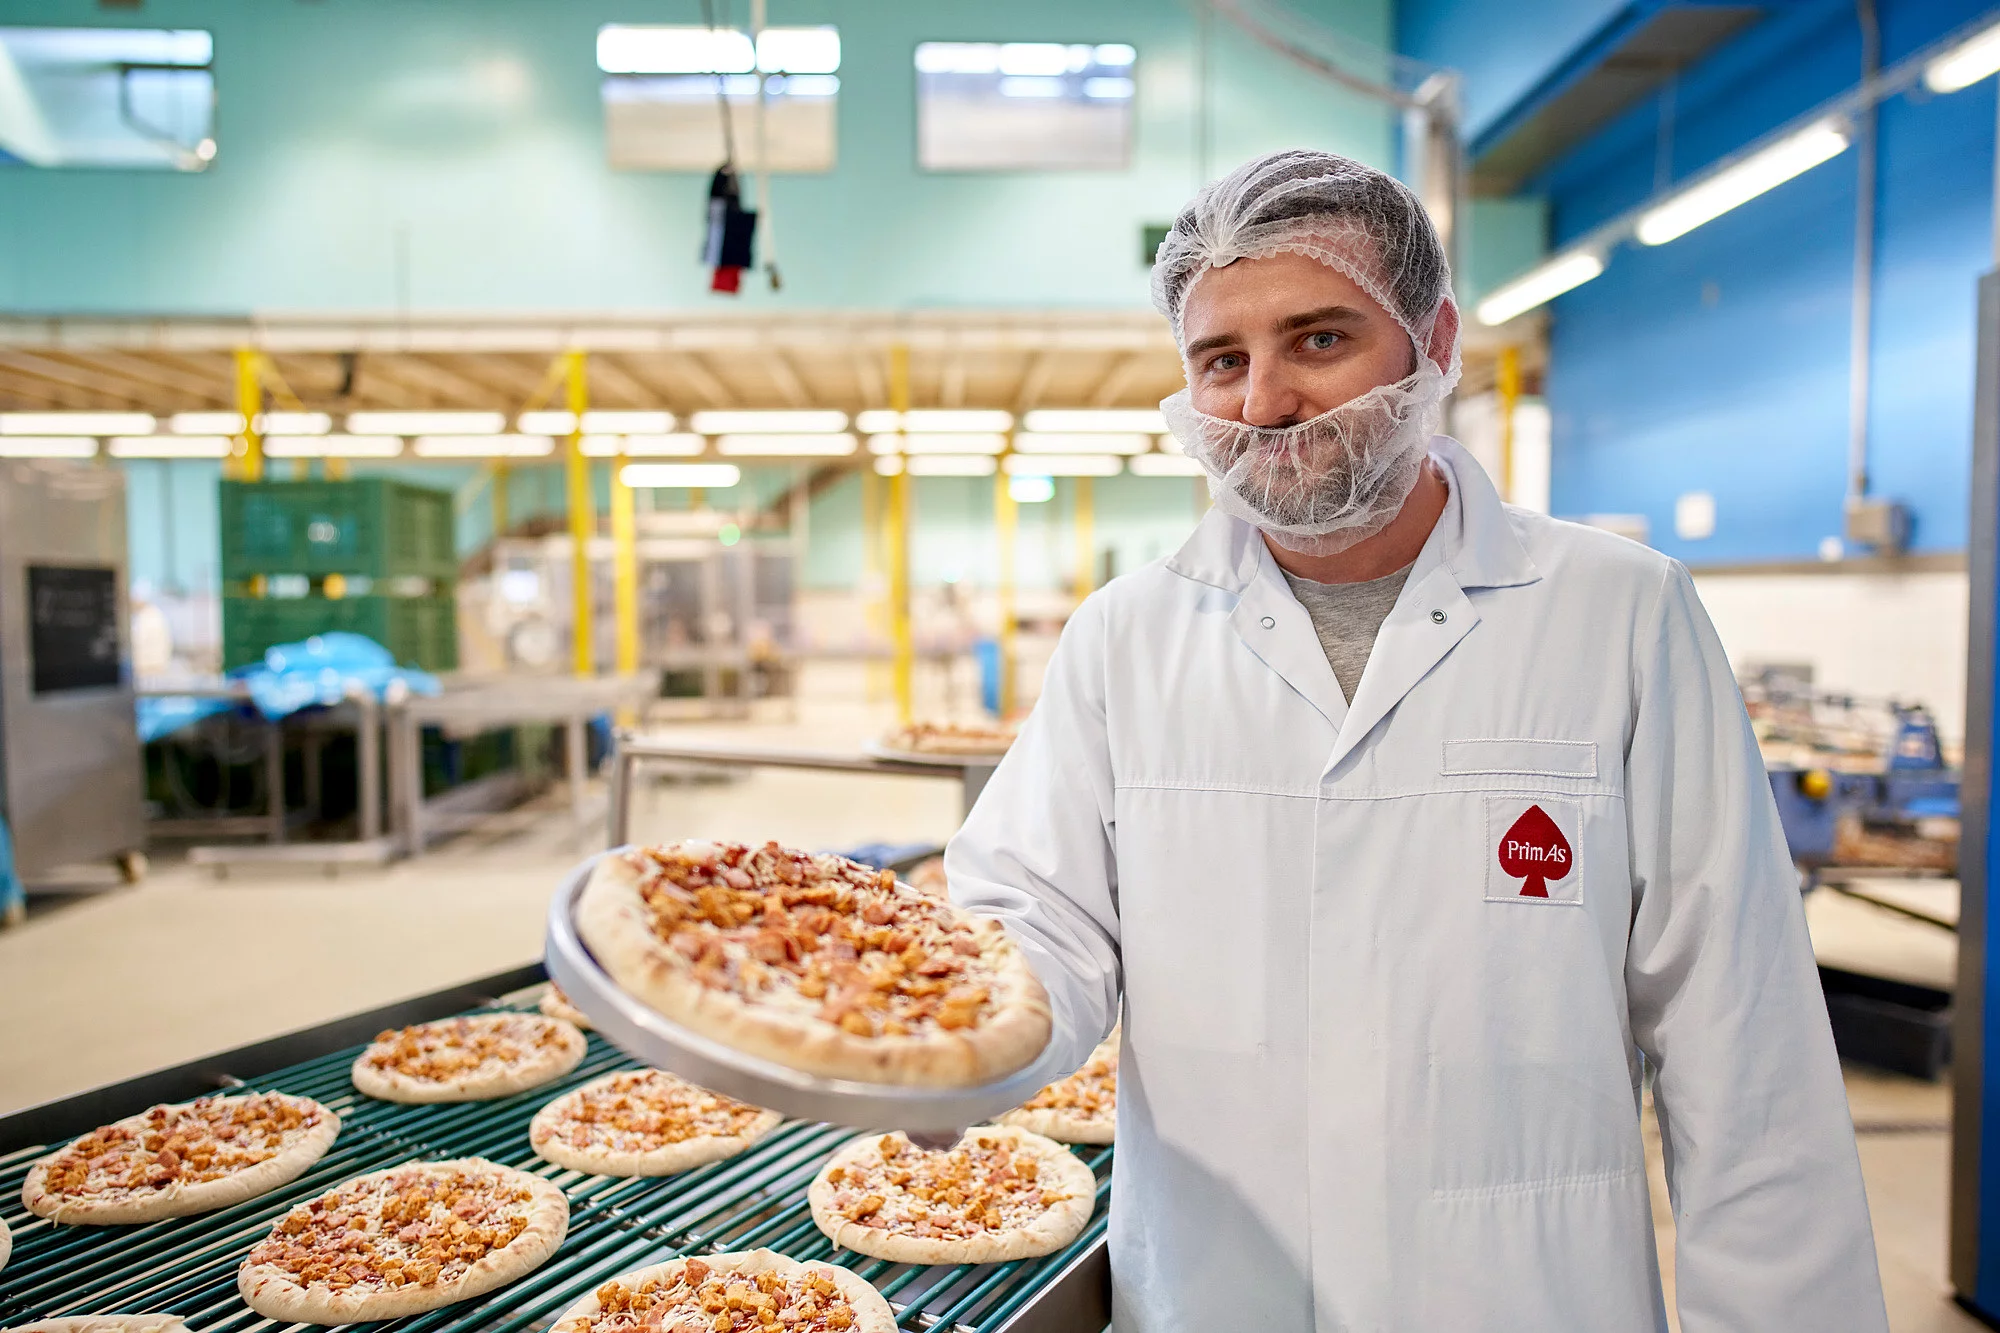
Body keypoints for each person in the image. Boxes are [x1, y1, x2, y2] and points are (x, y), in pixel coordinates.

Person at [945, 149, 1887, 1331]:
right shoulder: (1124, 639)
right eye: (1219, 360)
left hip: (1520, 1297)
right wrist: (952, 1046)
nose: (1265, 400)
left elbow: (1742, 1047)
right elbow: (1031, 922)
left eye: (1319, 339)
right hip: (1213, 1290)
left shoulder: (1616, 613)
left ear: (1431, 340)